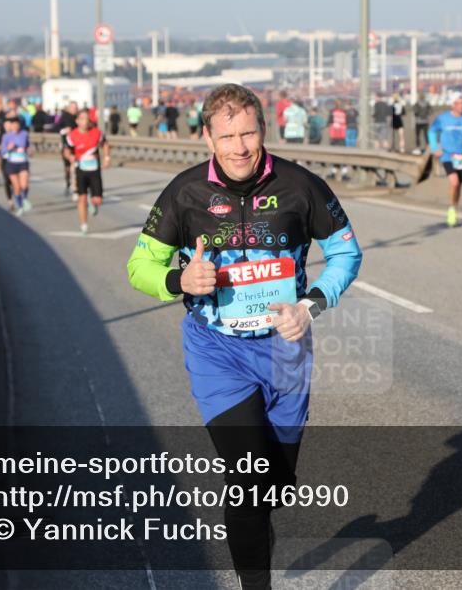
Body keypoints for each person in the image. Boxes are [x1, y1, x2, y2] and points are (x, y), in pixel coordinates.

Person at [126, 83, 361, 590]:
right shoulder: (185, 192)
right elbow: (139, 267)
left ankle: (260, 519)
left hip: (284, 350)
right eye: (227, 136)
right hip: (217, 350)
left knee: (275, 486)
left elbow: (346, 254)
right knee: (247, 478)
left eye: (248, 134)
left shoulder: (301, 186)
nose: (239, 147)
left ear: (263, 130)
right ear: (208, 138)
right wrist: (179, 280)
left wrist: (311, 306)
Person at [428, 92, 462, 226]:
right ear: (452, 105)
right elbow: (432, 131)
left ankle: (454, 206)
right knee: (454, 182)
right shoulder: (443, 118)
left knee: (459, 186)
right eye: (458, 103)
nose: (461, 106)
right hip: (447, 155)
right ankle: (451, 210)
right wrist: (434, 147)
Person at [65, 108, 111, 234]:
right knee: (82, 198)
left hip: (94, 170)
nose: (85, 121)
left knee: (98, 200)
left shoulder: (97, 133)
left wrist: (106, 158)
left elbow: (105, 144)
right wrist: (70, 157)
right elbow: (67, 150)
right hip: (80, 169)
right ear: (77, 121)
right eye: (82, 119)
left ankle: (93, 203)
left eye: (87, 119)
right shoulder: (72, 135)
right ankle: (84, 225)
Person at [1, 117, 33, 216]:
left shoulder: (24, 134)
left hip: (23, 162)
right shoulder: (6, 136)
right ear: (10, 126)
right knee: (17, 187)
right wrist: (8, 148)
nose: (15, 126)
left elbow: (28, 146)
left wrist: (29, 151)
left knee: (24, 185)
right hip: (12, 163)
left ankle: (25, 199)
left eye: (17, 124)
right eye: (13, 124)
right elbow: (2, 152)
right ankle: (20, 206)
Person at [55, 101, 79, 198]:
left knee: (75, 165)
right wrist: (65, 130)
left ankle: (76, 187)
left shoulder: (79, 118)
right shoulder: (64, 117)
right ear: (68, 108)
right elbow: (56, 128)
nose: (74, 109)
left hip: (77, 145)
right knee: (67, 167)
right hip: (66, 145)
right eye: (72, 107)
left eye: (75, 108)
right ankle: (68, 183)